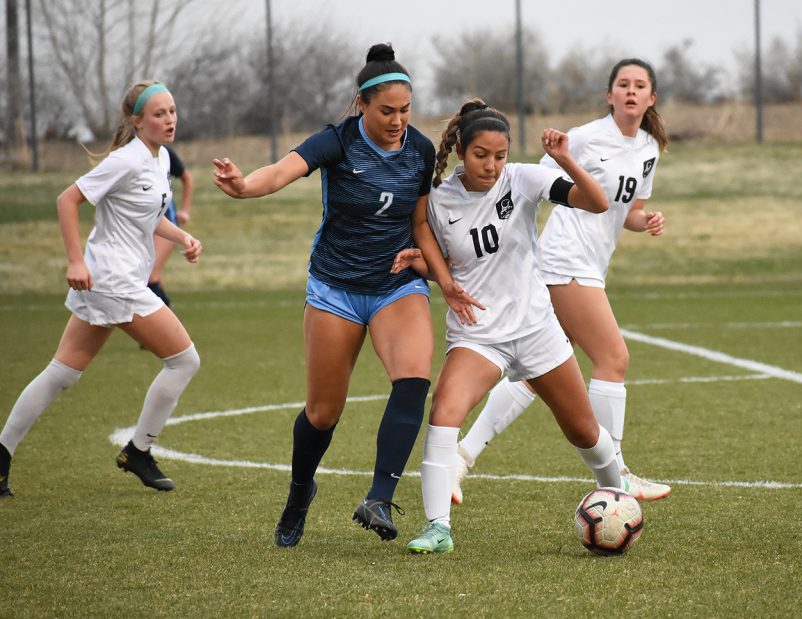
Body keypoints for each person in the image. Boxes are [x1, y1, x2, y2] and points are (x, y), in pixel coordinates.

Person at [213, 43, 477, 548]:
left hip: (396, 284)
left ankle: (379, 496)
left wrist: (442, 280)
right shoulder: (337, 142)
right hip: (335, 287)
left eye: (405, 110)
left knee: (414, 378)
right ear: (361, 104)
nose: (398, 120)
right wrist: (245, 186)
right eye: (386, 112)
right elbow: (284, 170)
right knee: (323, 412)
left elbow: (419, 222)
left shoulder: (419, 151)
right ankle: (298, 493)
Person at [396, 99, 624, 554]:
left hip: (537, 329)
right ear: (461, 149)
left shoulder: (522, 178)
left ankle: (618, 500)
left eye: (499, 155)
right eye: (482, 155)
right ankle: (438, 528)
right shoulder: (439, 201)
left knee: (584, 431)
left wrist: (565, 160)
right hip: (479, 335)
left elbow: (597, 202)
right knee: (443, 411)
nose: (492, 165)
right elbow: (447, 265)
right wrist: (419, 264)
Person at [453, 58, 671, 505]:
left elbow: (625, 211)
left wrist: (644, 220)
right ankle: (617, 473)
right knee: (613, 356)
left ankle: (462, 456)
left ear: (652, 98)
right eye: (622, 85)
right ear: (609, 95)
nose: (630, 91)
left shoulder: (648, 148)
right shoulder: (588, 138)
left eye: (639, 86)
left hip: (591, 265)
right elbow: (527, 186)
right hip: (564, 259)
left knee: (537, 374)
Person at [0, 81, 203, 498]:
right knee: (184, 360)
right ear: (137, 121)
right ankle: (139, 450)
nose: (169, 120)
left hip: (111, 280)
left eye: (172, 111)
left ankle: (1, 455)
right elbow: (67, 200)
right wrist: (75, 260)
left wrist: (181, 238)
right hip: (113, 280)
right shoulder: (125, 160)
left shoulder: (160, 157)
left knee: (61, 373)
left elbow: (145, 218)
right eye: (159, 114)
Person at [147, 145, 194, 307]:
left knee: (150, 276)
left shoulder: (164, 152)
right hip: (143, 224)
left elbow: (187, 178)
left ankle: (164, 325)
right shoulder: (129, 155)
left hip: (165, 223)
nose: (169, 120)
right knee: (154, 277)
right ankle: (166, 313)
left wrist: (185, 211)